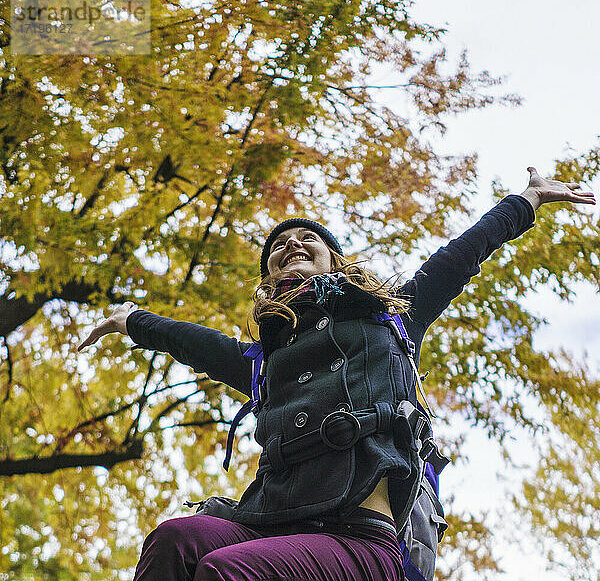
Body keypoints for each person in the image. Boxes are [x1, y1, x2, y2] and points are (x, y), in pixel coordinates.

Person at [78, 167, 594, 581]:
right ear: (269, 277)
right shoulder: (264, 362)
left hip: (360, 539)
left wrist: (525, 201)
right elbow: (192, 343)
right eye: (279, 246)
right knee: (177, 539)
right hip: (272, 524)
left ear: (335, 263)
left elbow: (458, 259)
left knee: (224, 570)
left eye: (309, 240)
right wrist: (133, 321)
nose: (292, 245)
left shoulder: (387, 319)